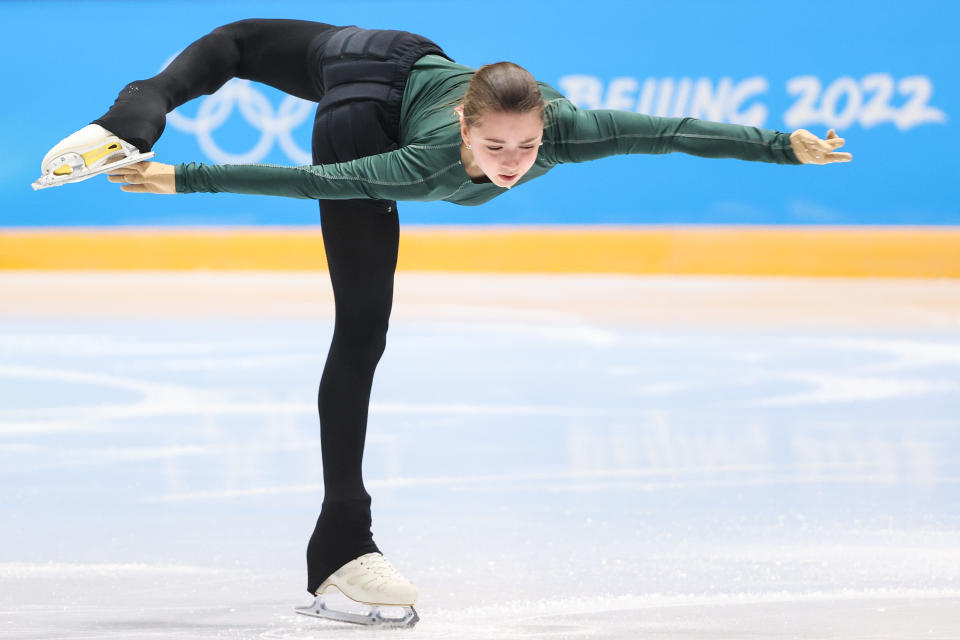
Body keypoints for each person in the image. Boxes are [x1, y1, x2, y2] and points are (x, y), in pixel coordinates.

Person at [37, 18, 851, 628]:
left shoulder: (563, 133)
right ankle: (341, 553)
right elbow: (311, 178)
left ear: (546, 130)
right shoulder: (422, 162)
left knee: (240, 43)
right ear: (465, 126)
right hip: (361, 103)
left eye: (527, 147)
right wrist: (187, 180)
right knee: (361, 328)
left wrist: (786, 147)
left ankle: (133, 114)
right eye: (496, 145)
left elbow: (673, 132)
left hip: (395, 49)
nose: (511, 163)